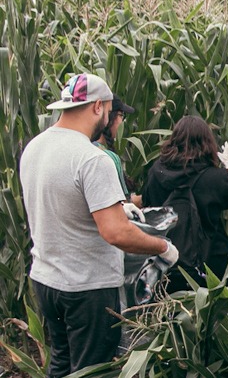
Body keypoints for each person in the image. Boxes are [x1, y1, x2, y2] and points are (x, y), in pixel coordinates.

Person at [20, 73, 179, 377]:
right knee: (93, 371)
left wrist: (119, 207)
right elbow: (115, 232)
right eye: (108, 110)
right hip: (86, 288)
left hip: (46, 280)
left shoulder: (35, 147)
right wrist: (163, 247)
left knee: (62, 365)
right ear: (97, 107)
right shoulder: (92, 159)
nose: (109, 117)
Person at [142, 115, 228, 292]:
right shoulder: (213, 178)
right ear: (207, 142)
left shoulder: (156, 172)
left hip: (165, 259)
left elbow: (148, 206)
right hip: (208, 262)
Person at [92, 95, 144, 217]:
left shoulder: (87, 149)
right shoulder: (108, 157)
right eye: (121, 116)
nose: (122, 122)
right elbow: (123, 205)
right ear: (110, 116)